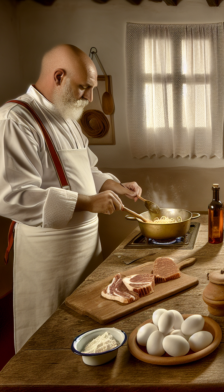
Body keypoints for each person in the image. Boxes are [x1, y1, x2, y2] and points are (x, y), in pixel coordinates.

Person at [0, 44, 143, 352]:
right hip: (49, 256)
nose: (90, 98)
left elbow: (85, 169)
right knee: (48, 337)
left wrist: (113, 185)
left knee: (88, 328)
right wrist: (89, 203)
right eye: (85, 88)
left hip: (86, 246)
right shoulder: (15, 119)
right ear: (59, 77)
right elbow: (13, 197)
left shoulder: (67, 118)